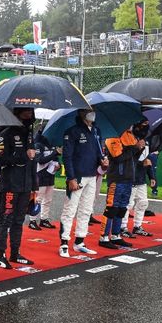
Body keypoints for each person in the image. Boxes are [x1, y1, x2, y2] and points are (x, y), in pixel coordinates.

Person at [59, 109, 108, 258]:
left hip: (92, 176)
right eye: (88, 111)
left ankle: (79, 242)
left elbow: (99, 153)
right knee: (70, 210)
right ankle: (64, 244)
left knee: (86, 210)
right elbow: (67, 157)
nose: (92, 113)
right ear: (81, 113)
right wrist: (71, 177)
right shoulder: (72, 132)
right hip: (77, 177)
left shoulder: (96, 131)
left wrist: (104, 162)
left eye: (93, 110)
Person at [0, 108, 38, 269]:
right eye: (27, 112)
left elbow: (33, 162)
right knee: (5, 219)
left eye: (31, 112)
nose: (30, 115)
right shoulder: (5, 134)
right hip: (10, 184)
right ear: (18, 113)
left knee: (19, 221)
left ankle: (15, 252)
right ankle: (0, 255)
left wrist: (35, 186)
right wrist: (23, 156)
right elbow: (0, 160)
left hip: (26, 185)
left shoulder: (30, 134)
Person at [98, 125, 141, 249]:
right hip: (116, 177)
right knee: (112, 208)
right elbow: (118, 157)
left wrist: (140, 148)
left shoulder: (131, 135)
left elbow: (134, 157)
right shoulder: (112, 136)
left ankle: (116, 235)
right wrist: (135, 148)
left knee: (122, 208)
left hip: (129, 177)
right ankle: (104, 237)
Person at [122, 119, 155, 238]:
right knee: (128, 204)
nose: (146, 126)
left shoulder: (146, 138)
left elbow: (147, 159)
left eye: (147, 123)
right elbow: (126, 158)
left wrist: (151, 176)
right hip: (130, 175)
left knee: (143, 203)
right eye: (144, 123)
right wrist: (137, 148)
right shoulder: (128, 137)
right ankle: (123, 227)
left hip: (141, 177)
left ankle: (137, 226)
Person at [27, 131, 60, 231]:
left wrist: (58, 165)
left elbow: (55, 159)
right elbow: (40, 160)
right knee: (38, 199)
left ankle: (44, 219)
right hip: (40, 175)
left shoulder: (53, 144)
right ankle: (32, 220)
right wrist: (55, 152)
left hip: (50, 175)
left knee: (48, 200)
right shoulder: (38, 144)